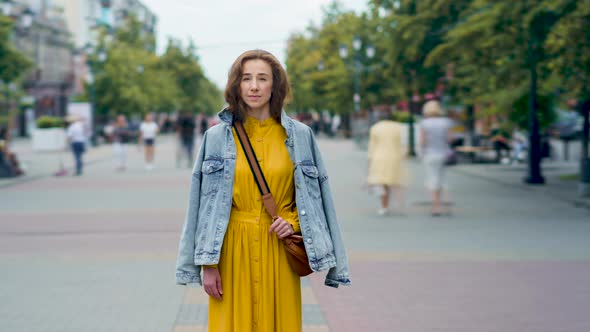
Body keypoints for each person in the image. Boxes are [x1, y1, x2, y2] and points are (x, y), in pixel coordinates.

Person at [175, 49, 351, 332]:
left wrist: (292, 223)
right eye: (246, 78)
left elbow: (318, 201)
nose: (254, 86)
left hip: (279, 250)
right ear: (237, 85)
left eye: (262, 78)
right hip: (230, 251)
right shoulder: (216, 138)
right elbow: (200, 206)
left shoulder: (301, 136)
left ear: (275, 85)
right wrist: (207, 263)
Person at [367, 111, 407, 216]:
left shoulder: (375, 128)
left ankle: (384, 206)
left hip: (379, 157)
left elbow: (372, 147)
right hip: (395, 157)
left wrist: (370, 162)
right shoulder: (398, 127)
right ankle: (399, 205)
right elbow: (403, 143)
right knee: (395, 182)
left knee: (383, 183)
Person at [420, 100, 453, 216]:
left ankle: (436, 206)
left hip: (430, 154)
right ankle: (444, 203)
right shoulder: (446, 122)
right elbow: (449, 139)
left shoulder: (424, 123)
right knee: (442, 178)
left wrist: (422, 152)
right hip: (443, 153)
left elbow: (423, 141)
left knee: (432, 179)